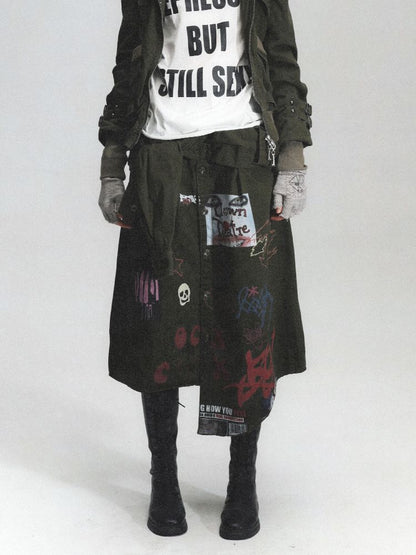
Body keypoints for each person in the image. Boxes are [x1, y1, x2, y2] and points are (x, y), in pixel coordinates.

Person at [98, 0, 312, 540]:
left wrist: (291, 158)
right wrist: (112, 165)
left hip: (239, 158)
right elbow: (130, 62)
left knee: (245, 315)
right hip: (162, 163)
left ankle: (242, 482)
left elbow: (281, 58)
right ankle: (164, 480)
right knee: (159, 323)